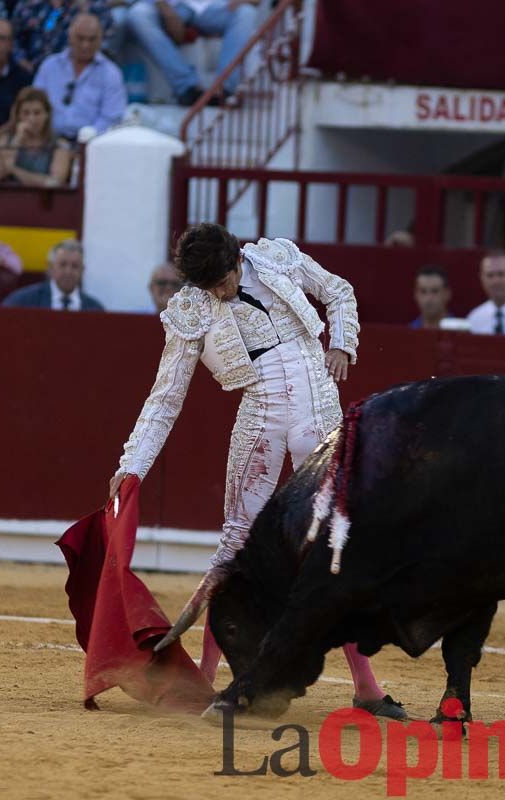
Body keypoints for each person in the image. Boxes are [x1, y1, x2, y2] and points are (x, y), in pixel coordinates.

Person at [109, 224, 406, 721]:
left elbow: (339, 291)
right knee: (237, 545)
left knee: (333, 544)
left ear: (235, 259)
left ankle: (367, 687)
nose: (221, 294)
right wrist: (131, 464)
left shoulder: (277, 259)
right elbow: (166, 398)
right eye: (210, 289)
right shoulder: (192, 307)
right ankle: (204, 678)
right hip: (260, 412)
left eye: (223, 281)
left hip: (318, 403)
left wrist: (343, 344)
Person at [127, 0, 259, 106]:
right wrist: (165, 9)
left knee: (246, 12)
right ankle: (187, 87)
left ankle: (225, 89)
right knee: (138, 14)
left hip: (212, 6)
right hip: (167, 5)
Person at [32, 13, 126, 141]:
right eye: (80, 38)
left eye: (91, 39)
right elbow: (35, 103)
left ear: (101, 39)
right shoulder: (49, 66)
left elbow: (111, 117)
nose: (85, 45)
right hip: (48, 142)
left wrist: (87, 137)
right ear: (69, 37)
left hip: (91, 144)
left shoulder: (111, 73)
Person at [0, 87, 71, 186]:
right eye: (26, 113)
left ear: (47, 114)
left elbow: (54, 182)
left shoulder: (59, 145)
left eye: (37, 113)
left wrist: (15, 171)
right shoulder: (6, 140)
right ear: (18, 115)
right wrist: (17, 140)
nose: (31, 119)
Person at [2, 239, 104, 310]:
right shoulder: (23, 301)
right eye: (62, 265)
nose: (68, 271)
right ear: (50, 269)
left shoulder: (94, 308)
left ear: (82, 271)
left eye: (75, 266)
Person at [10, 0, 113, 67]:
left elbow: (105, 36)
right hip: (30, 70)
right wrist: (21, 60)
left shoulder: (94, 6)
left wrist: (84, 11)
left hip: (78, 70)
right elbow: (14, 36)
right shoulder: (30, 5)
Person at [410, 264, 451, 329]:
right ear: (416, 295)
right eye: (423, 291)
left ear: (447, 294)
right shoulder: (410, 332)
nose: (428, 299)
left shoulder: (463, 331)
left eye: (435, 291)